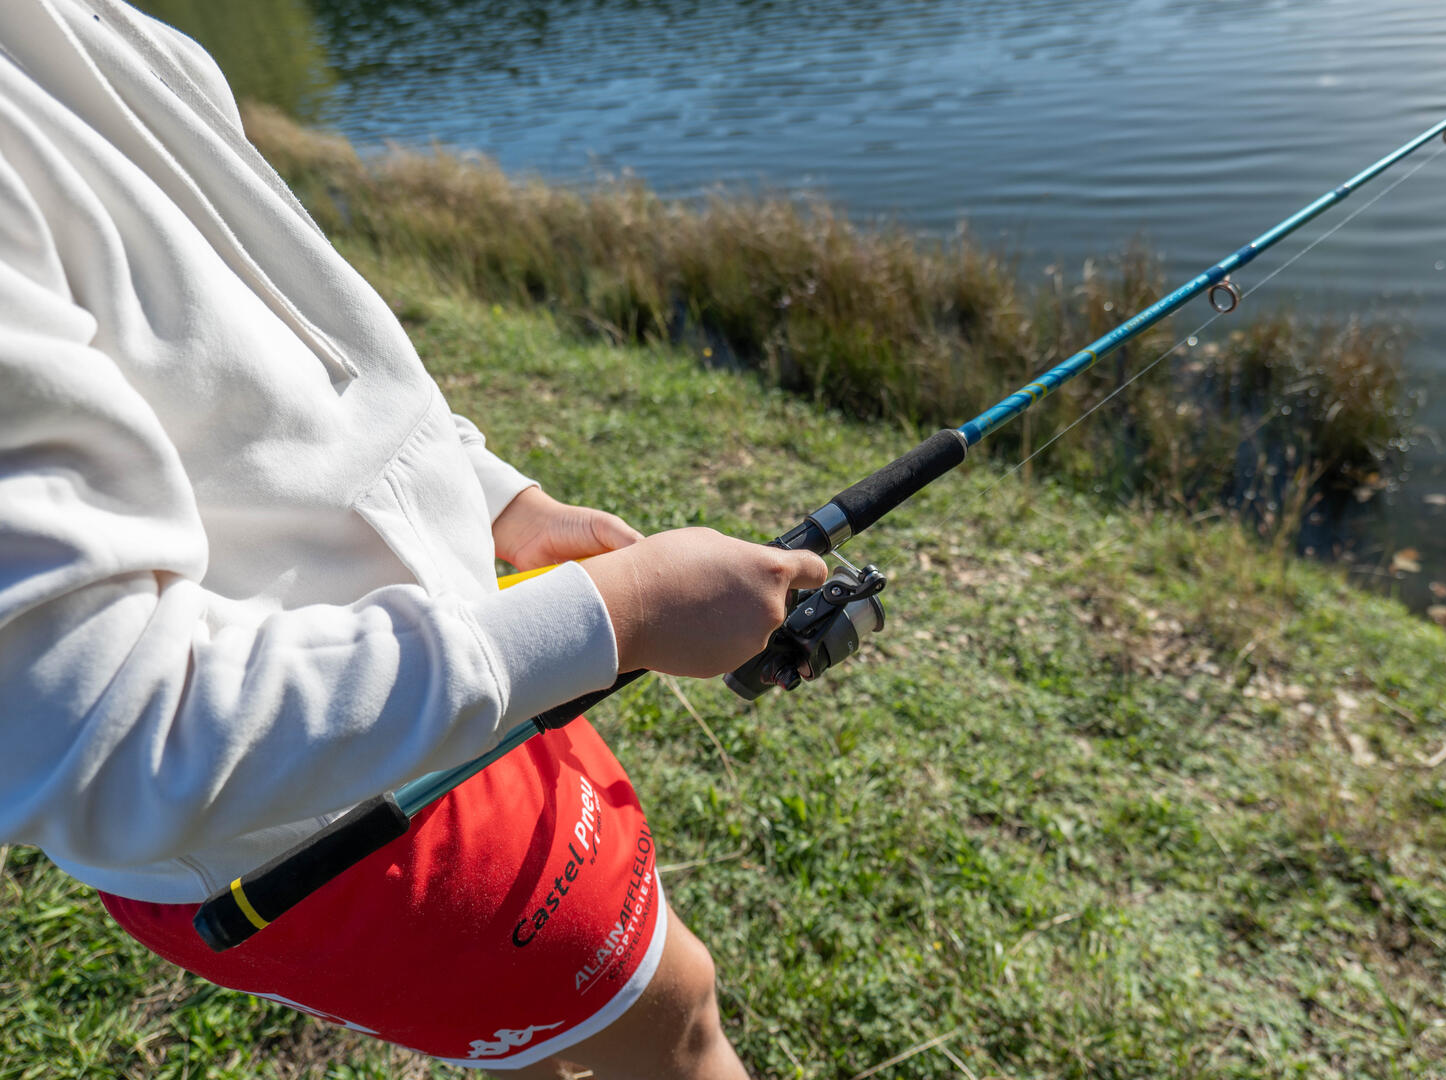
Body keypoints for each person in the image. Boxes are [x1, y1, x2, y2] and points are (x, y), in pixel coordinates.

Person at [0, 1, 827, 1075]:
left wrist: (494, 505)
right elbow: (99, 739)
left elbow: (284, 354)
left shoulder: (92, 23)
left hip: (446, 677)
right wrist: (616, 617)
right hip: (334, 814)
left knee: (578, 1033)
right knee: (674, 1017)